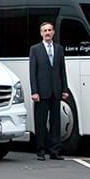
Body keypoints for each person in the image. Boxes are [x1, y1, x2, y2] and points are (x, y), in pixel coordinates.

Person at [29, 21, 70, 160]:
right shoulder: (35, 49)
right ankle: (40, 151)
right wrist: (34, 91)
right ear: (41, 33)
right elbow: (32, 72)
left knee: (55, 123)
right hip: (41, 92)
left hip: (56, 92)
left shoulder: (59, 49)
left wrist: (64, 89)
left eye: (50, 30)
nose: (47, 33)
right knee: (41, 123)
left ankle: (55, 151)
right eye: (45, 30)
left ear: (53, 32)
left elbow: (62, 71)